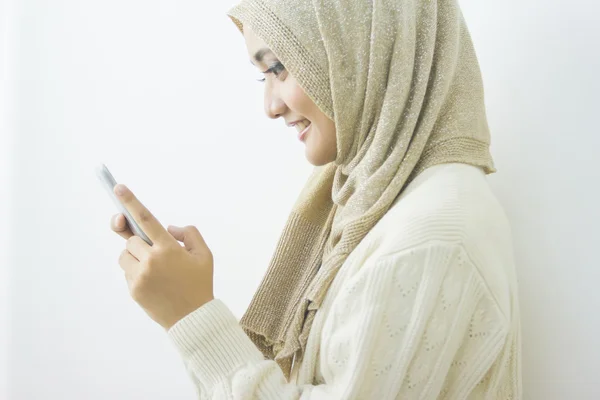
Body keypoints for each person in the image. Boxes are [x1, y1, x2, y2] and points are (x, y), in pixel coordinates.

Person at [109, 0, 522, 398]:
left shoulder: (427, 239)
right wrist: (182, 304)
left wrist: (191, 316)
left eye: (279, 66)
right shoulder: (371, 204)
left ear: (361, 45)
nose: (270, 106)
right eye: (263, 75)